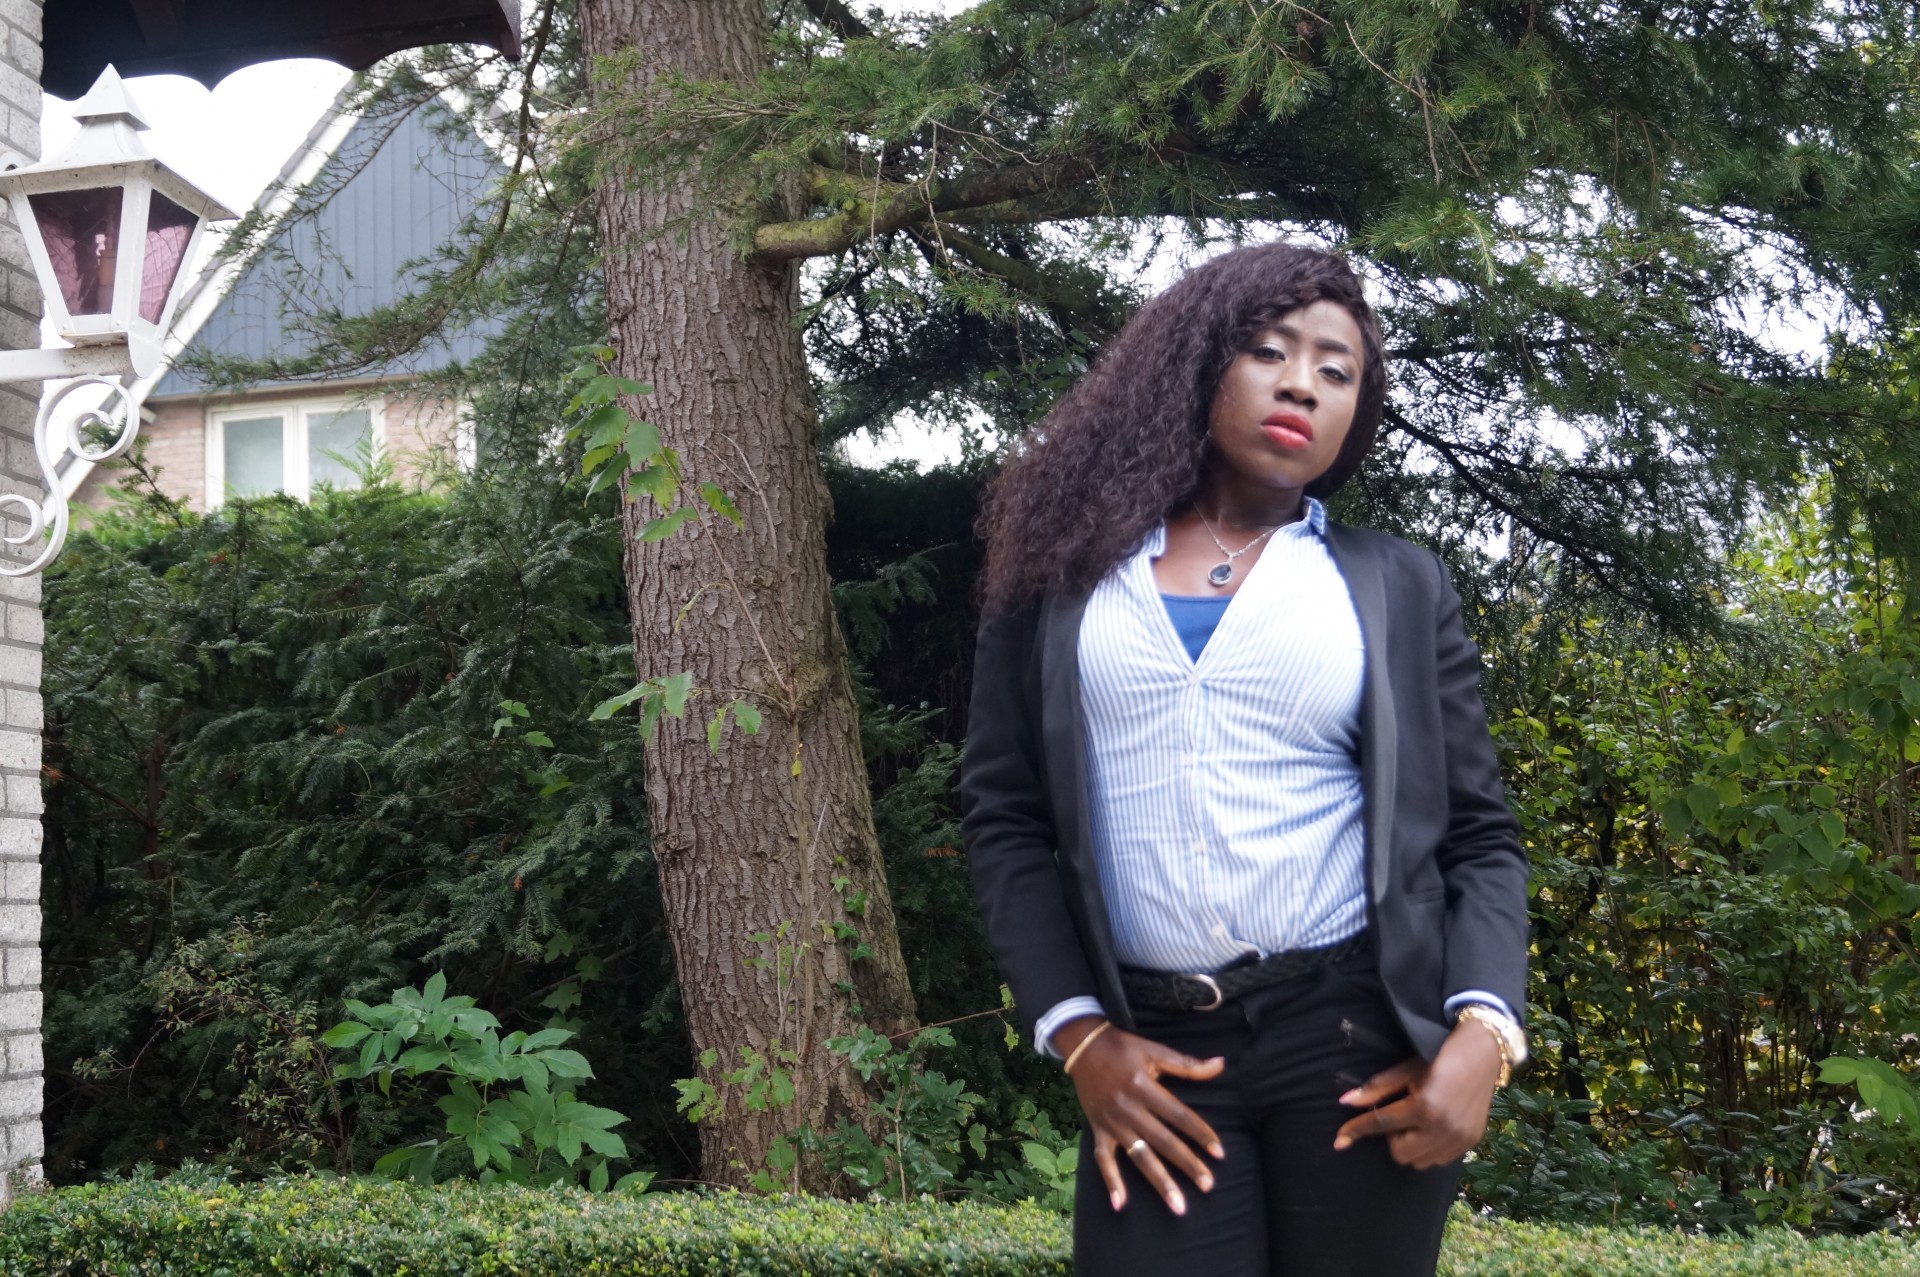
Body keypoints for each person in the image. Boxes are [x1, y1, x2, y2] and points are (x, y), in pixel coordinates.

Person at [956, 241, 1530, 1277]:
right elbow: (1005, 815)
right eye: (1269, 350)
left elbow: (1480, 837)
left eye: (1336, 370)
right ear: (1196, 362)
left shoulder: (1395, 587)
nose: (1302, 383)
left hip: (1355, 1045)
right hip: (1159, 1054)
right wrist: (1079, 1035)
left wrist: (1484, 1033)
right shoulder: (1057, 572)